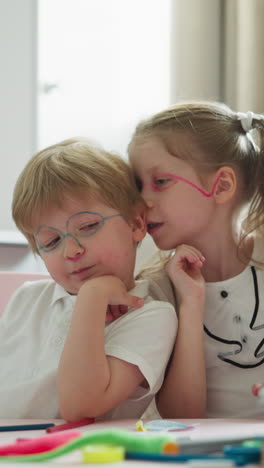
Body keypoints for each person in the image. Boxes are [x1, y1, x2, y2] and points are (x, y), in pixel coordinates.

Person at [0, 138, 177, 420]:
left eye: (89, 226)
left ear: (136, 224)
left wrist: (92, 298)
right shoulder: (27, 298)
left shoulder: (150, 315)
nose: (72, 251)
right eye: (52, 240)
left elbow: (80, 407)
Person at [128, 101, 264, 418]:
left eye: (160, 182)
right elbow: (182, 416)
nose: (142, 200)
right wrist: (191, 305)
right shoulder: (157, 292)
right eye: (137, 186)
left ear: (222, 186)